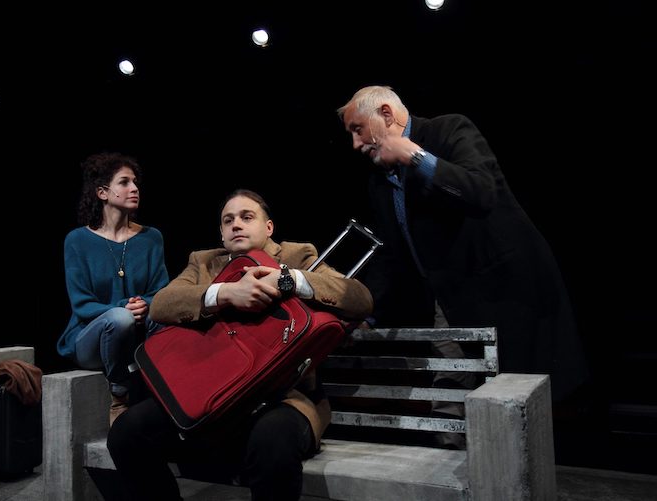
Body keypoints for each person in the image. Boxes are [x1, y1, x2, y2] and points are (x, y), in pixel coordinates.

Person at [107, 189, 372, 501]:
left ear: (268, 227)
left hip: (281, 397)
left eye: (247, 217)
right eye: (228, 220)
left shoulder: (296, 255)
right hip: (212, 391)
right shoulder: (203, 262)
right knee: (126, 433)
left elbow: (360, 298)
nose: (236, 225)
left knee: (271, 442)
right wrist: (225, 293)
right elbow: (163, 304)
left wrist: (287, 279)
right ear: (221, 233)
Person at [338, 85, 589, 406]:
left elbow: (481, 191)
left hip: (506, 291)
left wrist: (415, 156)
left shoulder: (449, 130)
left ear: (386, 114)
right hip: (450, 301)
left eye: (358, 129)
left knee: (523, 398)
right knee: (448, 393)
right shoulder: (379, 181)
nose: (355, 144)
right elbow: (390, 256)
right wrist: (368, 315)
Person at [56, 152, 169, 425]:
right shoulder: (77, 240)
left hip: (137, 332)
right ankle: (119, 394)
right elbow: (82, 305)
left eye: (135, 182)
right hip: (92, 338)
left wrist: (145, 303)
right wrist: (123, 307)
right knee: (120, 318)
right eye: (124, 182)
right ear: (103, 192)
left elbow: (162, 292)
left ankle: (169, 394)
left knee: (164, 318)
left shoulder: (151, 238)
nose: (134, 188)